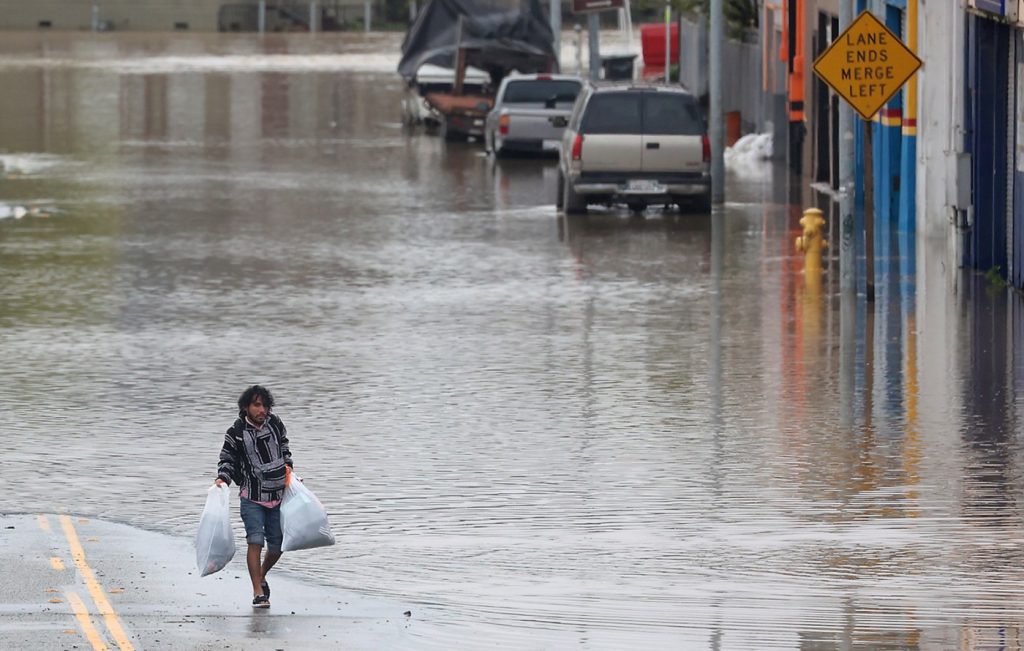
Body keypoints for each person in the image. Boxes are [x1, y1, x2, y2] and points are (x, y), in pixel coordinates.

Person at [215, 385, 293, 608]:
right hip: (251, 496)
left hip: (278, 495)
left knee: (277, 546)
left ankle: (261, 575)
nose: (262, 410)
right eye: (257, 405)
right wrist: (222, 478)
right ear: (246, 407)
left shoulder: (275, 424)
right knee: (255, 541)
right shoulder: (236, 433)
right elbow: (227, 459)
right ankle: (258, 592)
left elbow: (285, 446)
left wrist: (288, 466)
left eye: (265, 406)